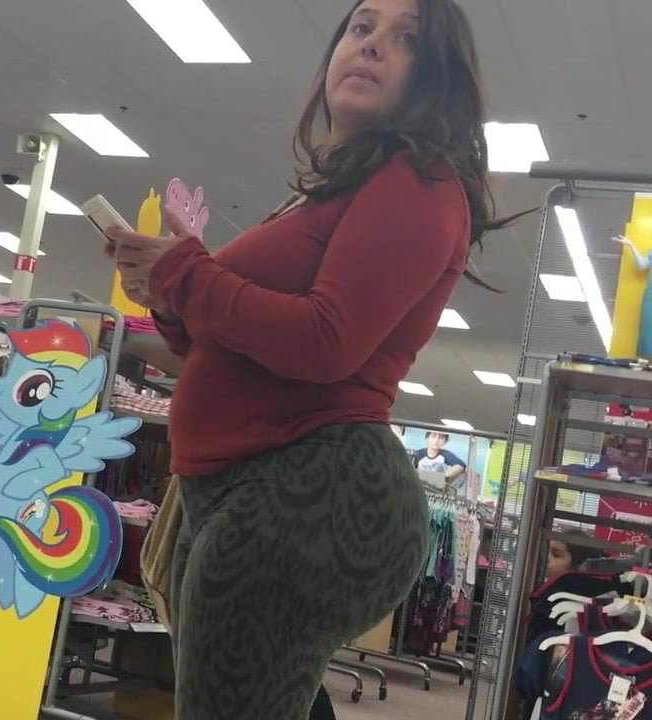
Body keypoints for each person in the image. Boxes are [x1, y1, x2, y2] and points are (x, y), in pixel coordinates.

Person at [104, 0, 518, 716]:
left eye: (406, 39)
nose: (372, 45)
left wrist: (187, 275)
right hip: (255, 484)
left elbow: (326, 341)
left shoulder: (419, 180)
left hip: (306, 484)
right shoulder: (337, 190)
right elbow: (227, 346)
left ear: (437, 76)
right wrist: (172, 298)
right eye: (361, 27)